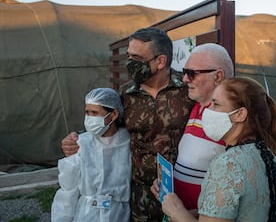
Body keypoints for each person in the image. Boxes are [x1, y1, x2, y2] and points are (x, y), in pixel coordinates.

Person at [61, 27, 195, 221]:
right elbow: (106, 127)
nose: (130, 64)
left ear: (160, 61)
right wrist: (76, 139)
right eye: (129, 56)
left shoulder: (187, 91)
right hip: (138, 196)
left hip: (181, 193)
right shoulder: (125, 95)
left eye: (137, 58)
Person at [157, 76, 276, 222]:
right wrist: (203, 213)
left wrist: (176, 210)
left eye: (216, 104)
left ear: (240, 114)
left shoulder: (228, 164)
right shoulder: (274, 159)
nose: (208, 110)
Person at [51, 88, 131, 222]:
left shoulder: (128, 142)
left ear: (114, 114)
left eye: (95, 113)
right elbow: (67, 191)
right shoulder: (81, 144)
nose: (89, 118)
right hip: (87, 214)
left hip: (119, 214)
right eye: (87, 112)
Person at [172, 43, 234, 212]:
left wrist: (198, 214)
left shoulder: (229, 118)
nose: (185, 79)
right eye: (184, 72)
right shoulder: (197, 107)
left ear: (218, 76)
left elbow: (237, 186)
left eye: (191, 73)